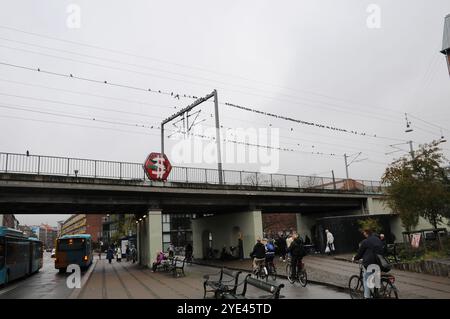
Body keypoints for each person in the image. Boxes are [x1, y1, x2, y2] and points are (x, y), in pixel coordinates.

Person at [352, 228, 384, 299]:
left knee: (366, 278)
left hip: (370, 263)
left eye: (364, 233)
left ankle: (367, 296)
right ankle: (377, 292)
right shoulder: (377, 239)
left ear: (366, 233)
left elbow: (360, 253)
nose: (364, 234)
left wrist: (355, 258)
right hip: (380, 262)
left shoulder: (365, 241)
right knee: (376, 276)